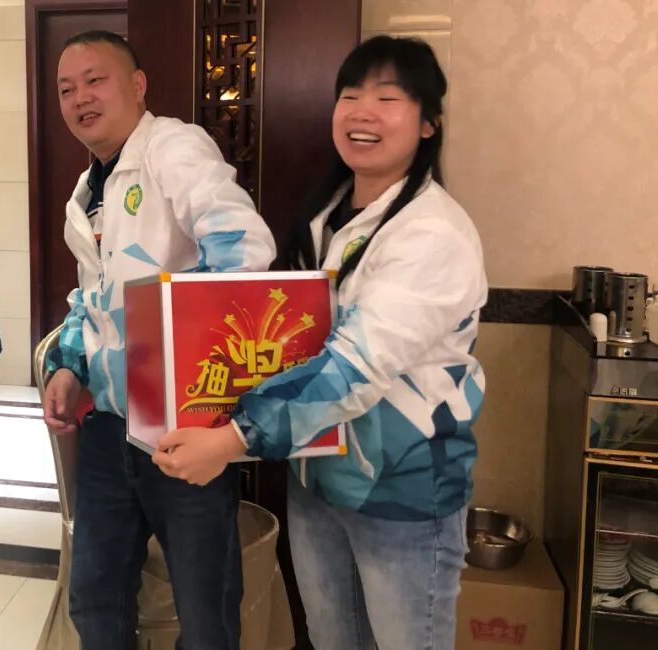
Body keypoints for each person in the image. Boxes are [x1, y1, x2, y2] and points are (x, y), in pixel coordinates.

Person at [153, 35, 487, 650]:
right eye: (350, 95)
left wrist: (231, 439)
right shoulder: (327, 218)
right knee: (331, 640)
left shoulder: (432, 233)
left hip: (403, 492)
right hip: (317, 479)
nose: (363, 112)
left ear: (429, 123)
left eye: (388, 98)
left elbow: (355, 367)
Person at [41, 30, 276, 649]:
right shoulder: (85, 193)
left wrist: (168, 340)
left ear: (138, 85)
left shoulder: (172, 146)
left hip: (183, 426)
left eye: (95, 80)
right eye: (65, 89)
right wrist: (69, 364)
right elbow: (93, 297)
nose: (79, 98)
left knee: (204, 614)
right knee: (95, 600)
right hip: (107, 427)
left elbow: (245, 250)